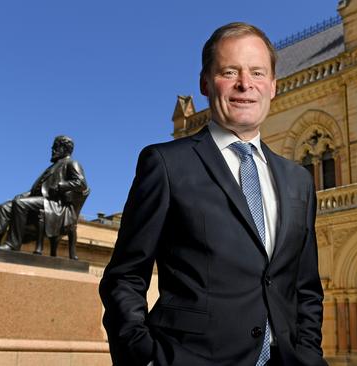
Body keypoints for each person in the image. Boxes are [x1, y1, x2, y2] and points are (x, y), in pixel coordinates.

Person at [99, 22, 326, 366]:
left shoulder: (299, 181)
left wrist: (308, 353)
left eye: (257, 73)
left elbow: (306, 288)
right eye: (229, 71)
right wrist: (142, 356)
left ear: (273, 87)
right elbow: (126, 276)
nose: (245, 84)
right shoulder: (166, 163)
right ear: (205, 83)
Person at [0, 135, 88, 253]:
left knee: (20, 204)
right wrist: (23, 195)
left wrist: (60, 186)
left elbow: (81, 182)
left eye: (56, 147)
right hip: (40, 201)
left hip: (54, 204)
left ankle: (13, 245)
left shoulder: (72, 163)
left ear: (65, 148)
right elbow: (36, 190)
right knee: (4, 207)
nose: (52, 150)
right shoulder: (53, 166)